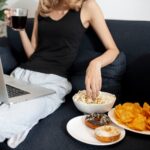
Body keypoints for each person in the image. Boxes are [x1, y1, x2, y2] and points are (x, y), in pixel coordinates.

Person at [2, 0, 119, 148]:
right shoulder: (43, 6)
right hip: (21, 74)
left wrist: (95, 64)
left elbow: (113, 49)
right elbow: (33, 53)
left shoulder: (87, 6)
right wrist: (21, 30)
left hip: (52, 83)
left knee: (5, 121)